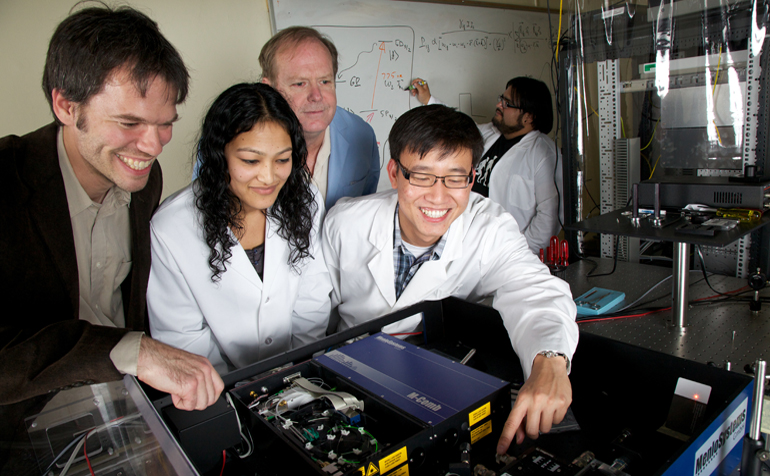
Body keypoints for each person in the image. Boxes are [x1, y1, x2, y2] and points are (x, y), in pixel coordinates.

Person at [0, 5, 224, 449]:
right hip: (24, 437)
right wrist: (132, 350)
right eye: (130, 123)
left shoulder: (144, 178)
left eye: (165, 125)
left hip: (128, 416)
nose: (152, 145)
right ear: (66, 104)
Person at [322, 105, 578, 455]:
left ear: (472, 179)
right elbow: (311, 320)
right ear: (395, 172)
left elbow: (535, 290)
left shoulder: (489, 227)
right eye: (422, 176)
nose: (438, 197)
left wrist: (549, 361)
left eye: (456, 178)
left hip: (435, 378)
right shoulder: (346, 223)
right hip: (348, 382)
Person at [148, 83, 331, 374]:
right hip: (216, 386)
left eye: (282, 159)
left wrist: (296, 371)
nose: (269, 176)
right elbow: (182, 336)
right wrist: (238, 389)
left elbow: (312, 300)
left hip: (299, 372)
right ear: (220, 155)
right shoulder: (171, 227)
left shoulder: (304, 199)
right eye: (250, 160)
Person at [410, 77, 562, 254]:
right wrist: (428, 100)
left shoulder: (544, 153)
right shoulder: (491, 133)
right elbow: (457, 126)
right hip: (469, 241)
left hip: (506, 251)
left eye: (507, 103)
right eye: (501, 99)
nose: (499, 105)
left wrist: (519, 253)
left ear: (528, 117)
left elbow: (550, 217)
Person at [260, 27, 381, 209]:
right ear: (269, 89)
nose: (316, 96)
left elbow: (362, 212)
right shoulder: (233, 140)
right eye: (300, 83)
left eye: (325, 81)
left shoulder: (362, 135)